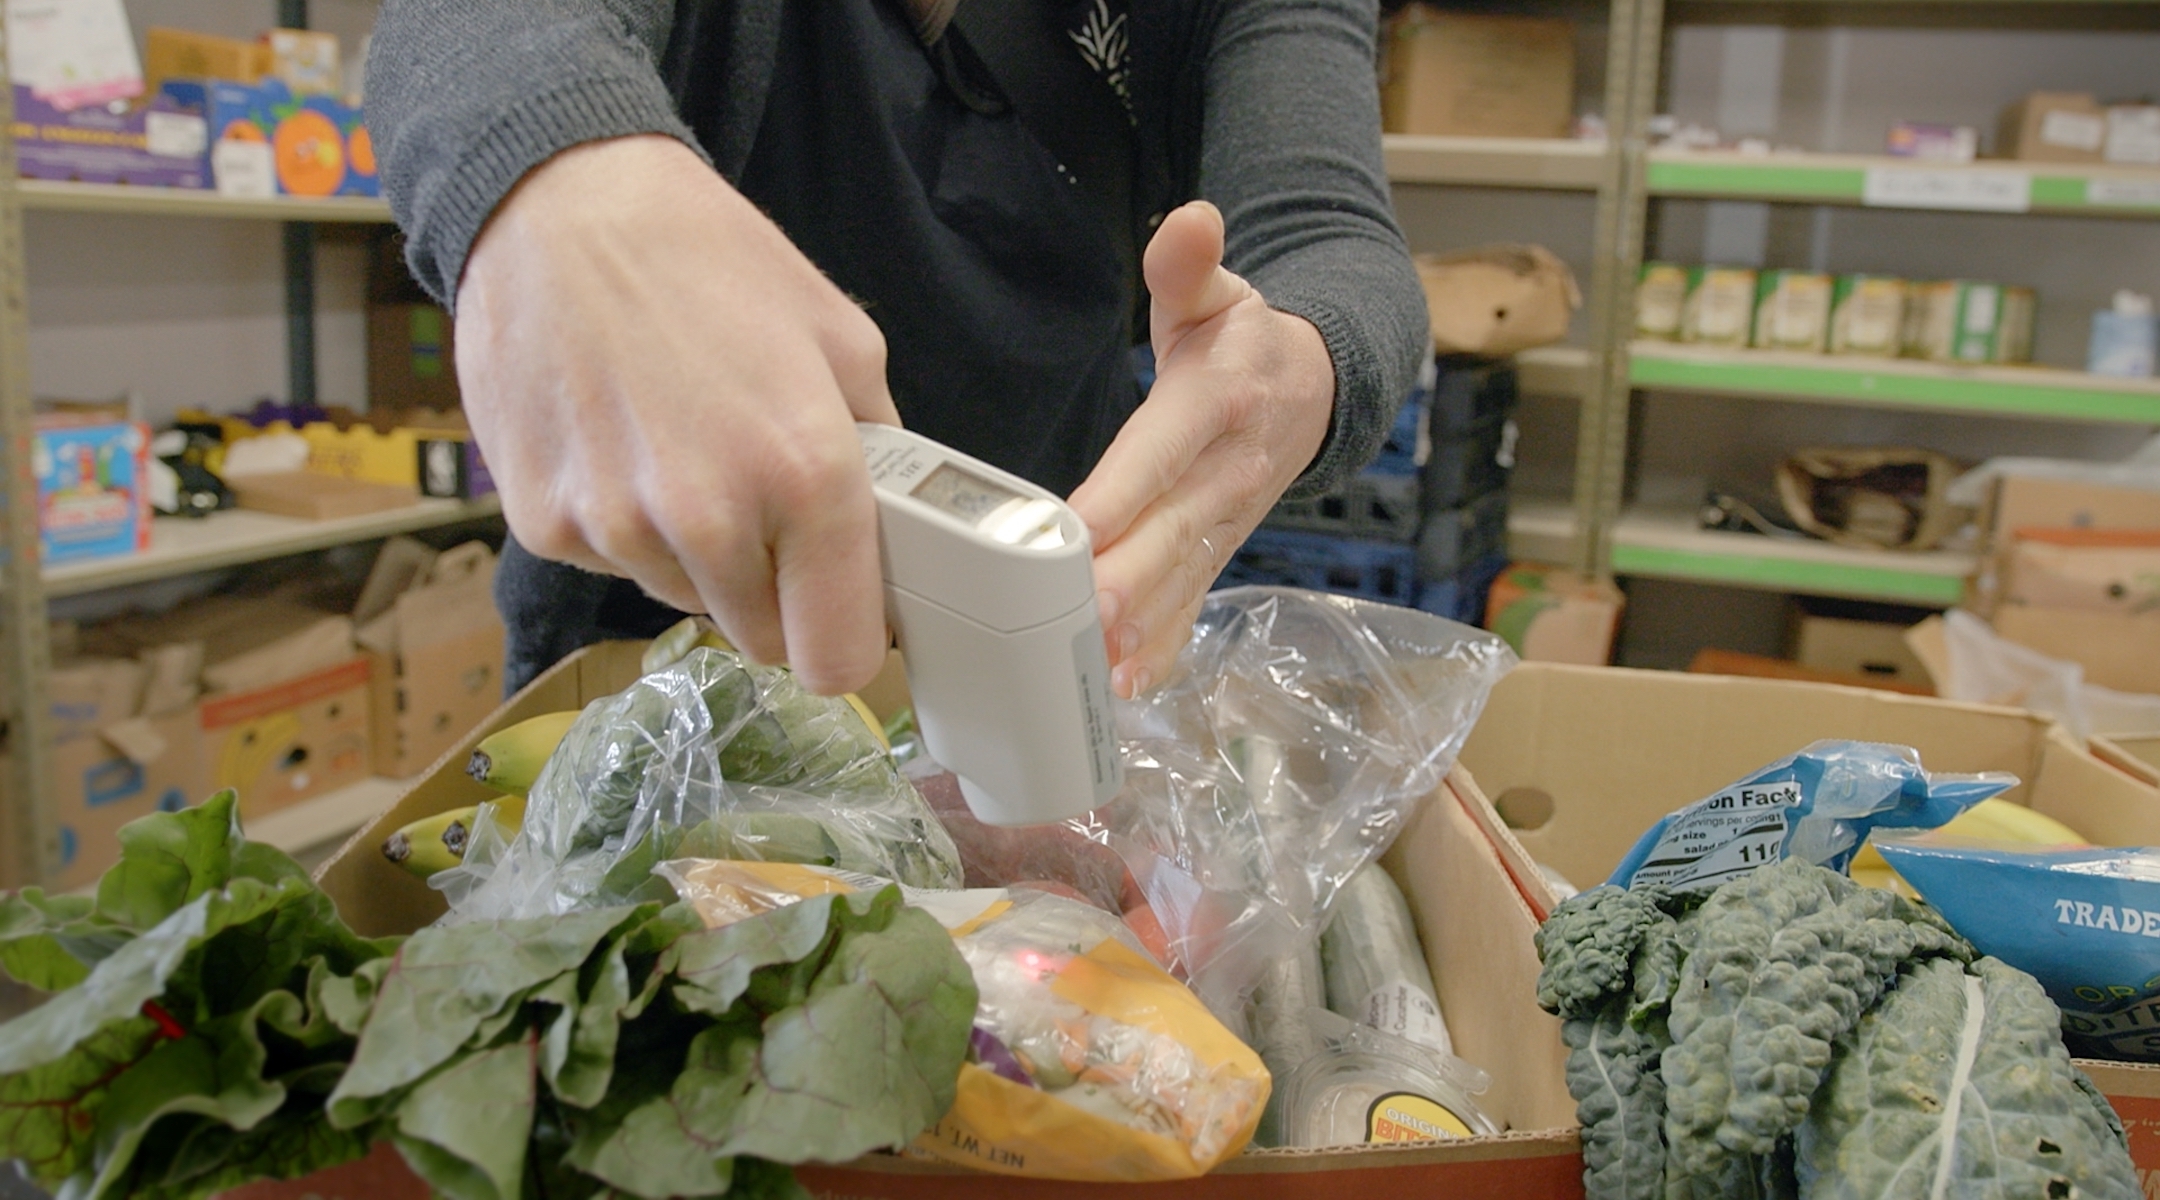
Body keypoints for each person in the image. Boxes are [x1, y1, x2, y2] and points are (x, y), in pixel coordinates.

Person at [367, 0, 1428, 699]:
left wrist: (1301, 364)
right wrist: (565, 180)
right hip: (654, 643)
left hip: (1046, 639)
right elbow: (487, 27)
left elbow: (1330, 238)